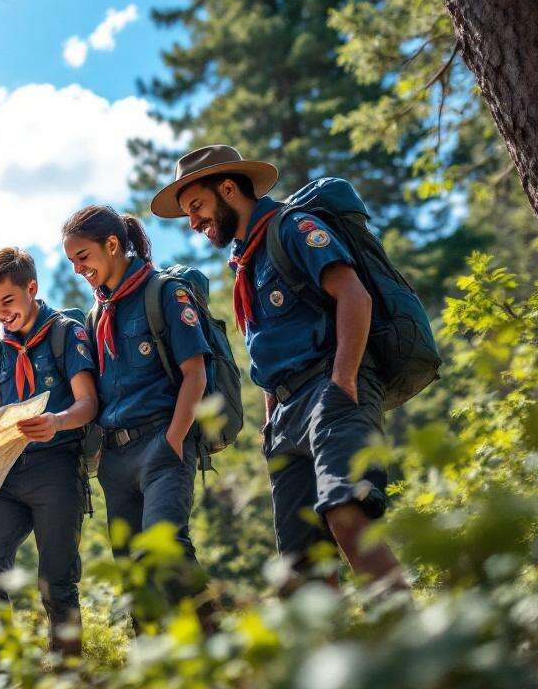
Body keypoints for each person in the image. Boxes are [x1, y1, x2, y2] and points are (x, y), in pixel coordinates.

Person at [152, 144, 405, 588]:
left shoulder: (293, 227)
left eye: (196, 206)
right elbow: (268, 348)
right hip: (285, 416)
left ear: (228, 189)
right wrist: (271, 421)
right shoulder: (247, 261)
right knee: (300, 566)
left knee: (346, 513)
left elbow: (354, 295)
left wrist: (343, 380)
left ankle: (410, 627)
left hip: (330, 389)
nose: (193, 222)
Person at [61, 205, 212, 620]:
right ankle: (154, 655)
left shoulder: (164, 293)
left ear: (112, 244)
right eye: (71, 261)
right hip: (116, 457)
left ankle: (216, 639)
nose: (78, 269)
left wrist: (174, 441)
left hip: (162, 442)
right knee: (133, 572)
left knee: (165, 550)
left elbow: (195, 374)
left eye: (83, 257)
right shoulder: (97, 314)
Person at [0, 248, 98, 658]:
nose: (1, 313)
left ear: (32, 288)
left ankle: (67, 672)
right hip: (6, 474)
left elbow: (88, 403)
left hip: (57, 466)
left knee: (56, 579)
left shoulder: (65, 333)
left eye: (7, 301)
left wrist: (57, 421)